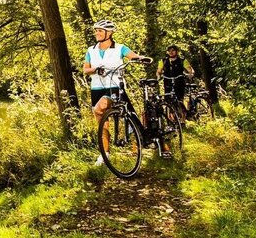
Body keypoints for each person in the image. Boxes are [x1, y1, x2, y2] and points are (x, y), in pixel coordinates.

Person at [82, 20, 149, 164]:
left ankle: (136, 141)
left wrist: (141, 58)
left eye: (100, 31)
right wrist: (96, 69)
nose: (97, 33)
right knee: (102, 122)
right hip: (96, 88)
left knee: (99, 109)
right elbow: (85, 70)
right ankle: (105, 153)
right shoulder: (91, 50)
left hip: (114, 87)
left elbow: (133, 56)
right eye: (96, 31)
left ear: (110, 33)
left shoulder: (120, 48)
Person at [157, 44, 195, 121]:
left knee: (179, 99)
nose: (171, 52)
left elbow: (190, 70)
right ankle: (171, 120)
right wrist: (158, 76)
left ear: (177, 52)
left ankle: (183, 119)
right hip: (167, 82)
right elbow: (158, 71)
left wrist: (190, 74)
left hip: (179, 82)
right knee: (168, 100)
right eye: (169, 51)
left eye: (173, 50)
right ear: (167, 52)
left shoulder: (182, 60)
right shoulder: (163, 61)